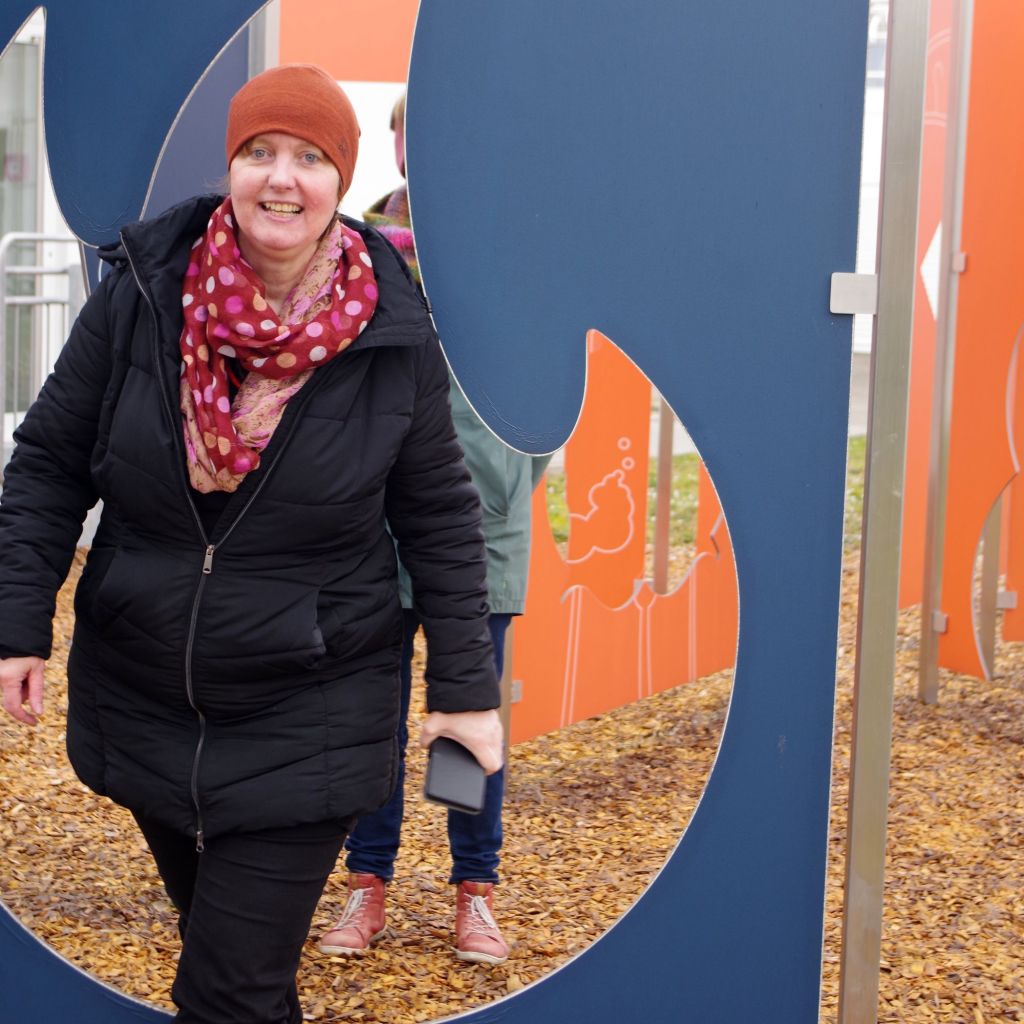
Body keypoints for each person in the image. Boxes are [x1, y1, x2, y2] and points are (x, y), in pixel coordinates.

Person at [0, 64, 502, 1024]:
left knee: (225, 989)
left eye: (310, 158)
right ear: (230, 165)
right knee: (239, 975)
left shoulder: (392, 331)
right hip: (146, 693)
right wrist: (19, 623)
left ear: (340, 180)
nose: (281, 177)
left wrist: (466, 693)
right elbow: (51, 461)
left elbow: (440, 516)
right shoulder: (144, 292)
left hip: (310, 708)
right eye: (259, 151)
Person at [318, 93, 547, 967]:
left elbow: (545, 393)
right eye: (414, 132)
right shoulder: (360, 248)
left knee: (467, 719)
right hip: (372, 527)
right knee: (370, 718)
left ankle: (473, 891)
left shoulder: (512, 250)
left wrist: (505, 481)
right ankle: (367, 881)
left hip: (479, 529)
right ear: (398, 146)